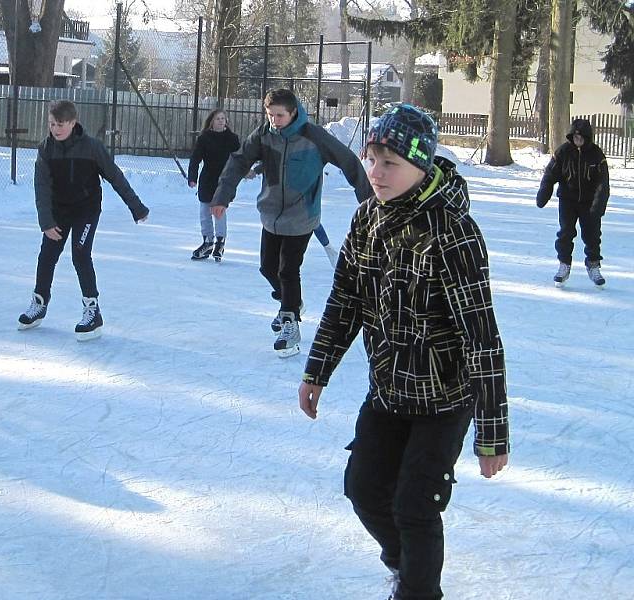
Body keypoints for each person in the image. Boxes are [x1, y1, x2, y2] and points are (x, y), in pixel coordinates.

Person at [298, 104, 509, 600]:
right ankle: (407, 567)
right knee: (366, 491)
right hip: (389, 393)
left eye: (389, 163)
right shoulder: (367, 219)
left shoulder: (452, 233)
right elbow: (345, 300)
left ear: (422, 165)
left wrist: (493, 434)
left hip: (443, 400)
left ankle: (417, 591)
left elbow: (482, 336)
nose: (375, 172)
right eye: (372, 159)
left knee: (416, 506)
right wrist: (317, 371)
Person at [210, 88, 370, 357]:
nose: (274, 120)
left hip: (302, 216)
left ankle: (290, 324)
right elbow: (239, 161)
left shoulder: (313, 136)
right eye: (270, 115)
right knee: (267, 267)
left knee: (287, 270)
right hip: (271, 215)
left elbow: (349, 162)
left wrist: (370, 204)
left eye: (280, 116)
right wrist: (222, 196)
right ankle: (291, 302)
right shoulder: (263, 134)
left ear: (293, 112)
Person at [18, 100, 149, 341]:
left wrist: (137, 207)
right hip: (59, 211)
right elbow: (42, 186)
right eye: (51, 124)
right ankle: (39, 302)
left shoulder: (92, 148)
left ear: (72, 123)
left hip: (86, 210)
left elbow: (116, 177)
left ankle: (92, 311)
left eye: (59, 124)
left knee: (80, 254)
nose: (54, 129)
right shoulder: (46, 149)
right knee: (47, 255)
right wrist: (46, 222)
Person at [536, 118, 610, 287]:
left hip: (589, 202)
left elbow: (603, 184)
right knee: (565, 233)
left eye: (581, 137)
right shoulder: (563, 152)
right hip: (567, 201)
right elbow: (550, 175)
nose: (578, 140)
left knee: (592, 235)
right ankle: (564, 264)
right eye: (575, 137)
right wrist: (543, 194)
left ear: (587, 138)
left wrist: (598, 206)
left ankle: (593, 265)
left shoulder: (596, 155)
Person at [187, 109, 240, 262]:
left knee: (219, 211)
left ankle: (220, 242)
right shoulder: (204, 138)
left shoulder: (232, 139)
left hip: (224, 180)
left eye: (223, 118)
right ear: (211, 121)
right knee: (205, 211)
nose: (221, 121)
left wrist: (240, 174)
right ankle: (207, 242)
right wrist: (192, 177)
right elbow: (195, 158)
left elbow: (240, 159)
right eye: (218, 119)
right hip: (207, 179)